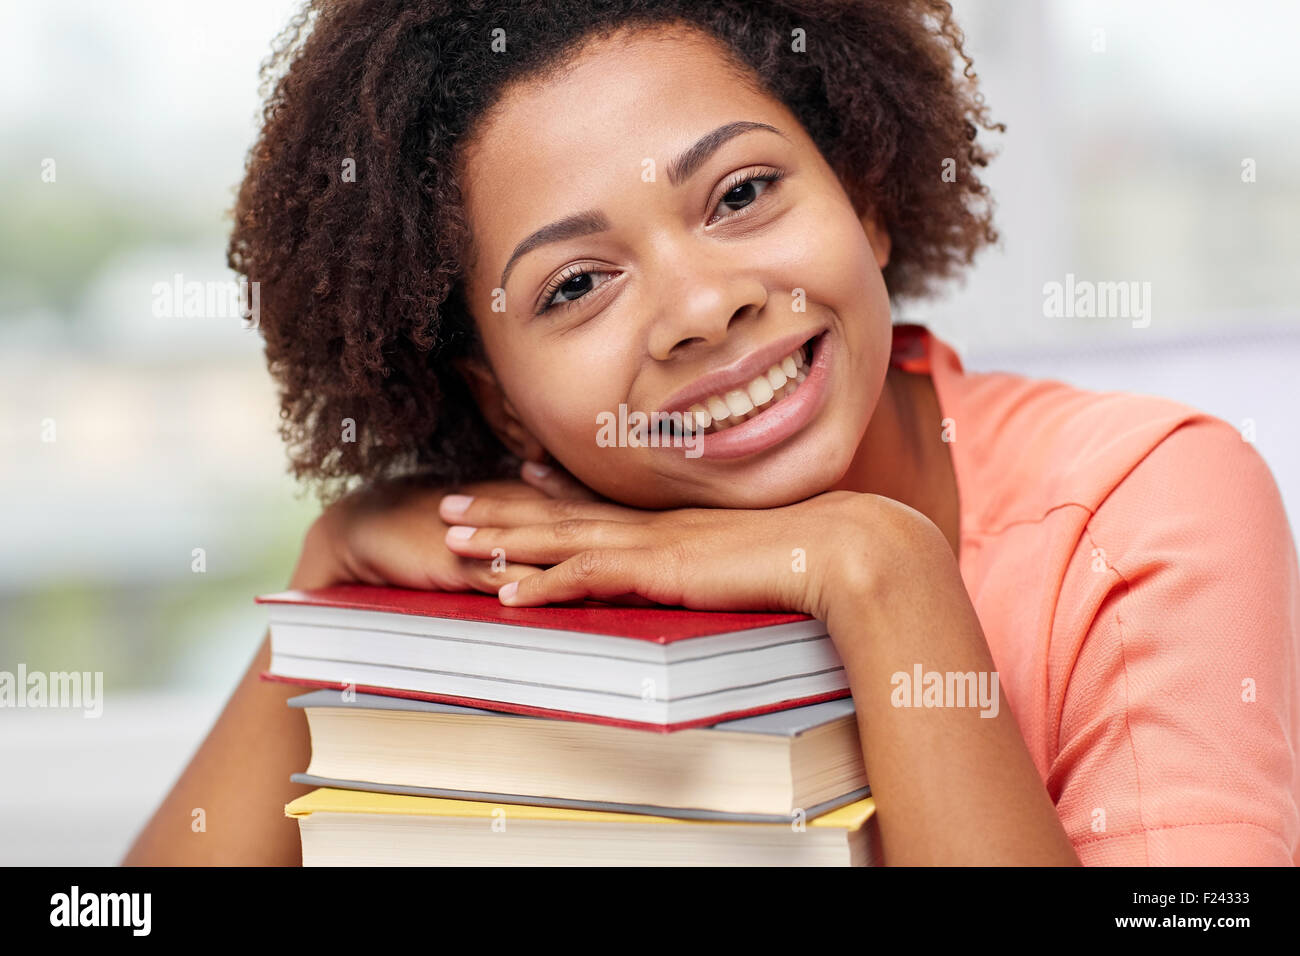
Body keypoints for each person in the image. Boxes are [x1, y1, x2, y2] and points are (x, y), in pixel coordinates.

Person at [124, 0, 1299, 866]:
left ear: (867, 196)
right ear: (495, 397)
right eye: (575, 284)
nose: (702, 307)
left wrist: (878, 570)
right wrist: (329, 594)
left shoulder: (1146, 504)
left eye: (741, 194)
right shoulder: (508, 573)